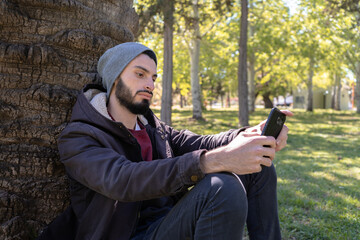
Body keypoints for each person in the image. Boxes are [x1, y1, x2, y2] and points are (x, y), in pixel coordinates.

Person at [41, 42, 293, 240]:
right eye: (140, 74)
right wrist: (210, 162)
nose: (149, 84)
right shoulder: (80, 136)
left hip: (166, 227)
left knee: (259, 163)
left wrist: (250, 136)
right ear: (115, 78)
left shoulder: (153, 128)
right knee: (222, 186)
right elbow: (122, 180)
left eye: (153, 77)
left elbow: (204, 141)